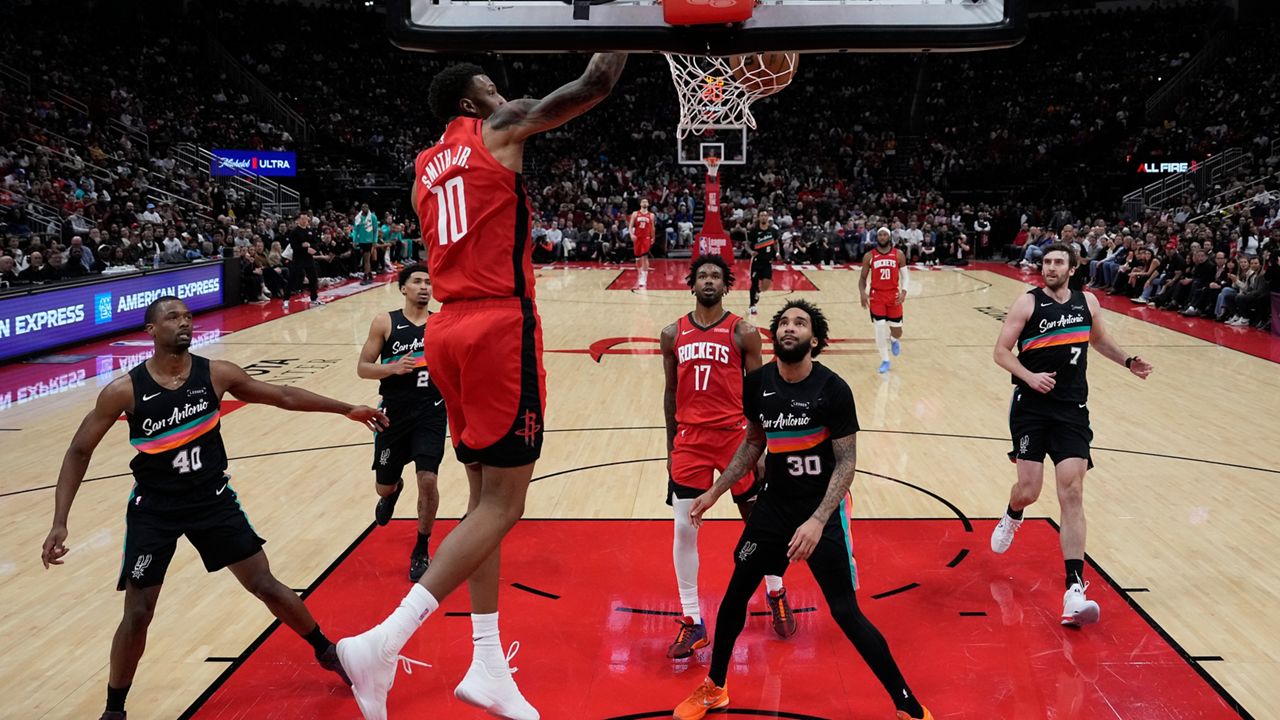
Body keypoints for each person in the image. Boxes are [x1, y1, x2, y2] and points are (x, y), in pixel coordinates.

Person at [335, 54, 628, 720]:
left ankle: (487, 664)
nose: (503, 91)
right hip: (499, 324)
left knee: (478, 502)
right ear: (474, 99)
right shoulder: (502, 124)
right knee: (504, 505)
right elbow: (596, 85)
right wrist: (624, 24)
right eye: (491, 86)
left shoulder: (420, 172)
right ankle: (382, 643)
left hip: (445, 331)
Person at [40, 296, 388, 720]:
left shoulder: (215, 373)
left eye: (188, 317)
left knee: (265, 584)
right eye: (172, 318)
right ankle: (114, 709)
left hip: (213, 500)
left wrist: (346, 407)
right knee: (138, 613)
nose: (183, 323)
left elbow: (281, 394)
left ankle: (328, 651)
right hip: (155, 510)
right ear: (151, 330)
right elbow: (78, 451)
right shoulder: (124, 391)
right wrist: (60, 521)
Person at [674, 299, 933, 720]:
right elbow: (754, 442)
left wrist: (817, 520)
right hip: (773, 508)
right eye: (784, 323)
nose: (790, 328)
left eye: (800, 323)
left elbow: (847, 463)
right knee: (736, 594)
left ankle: (908, 705)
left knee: (847, 613)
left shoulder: (833, 389)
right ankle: (716, 687)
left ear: (815, 339)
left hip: (821, 512)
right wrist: (717, 491)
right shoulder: (756, 384)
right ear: (774, 335)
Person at [990, 243, 1154, 626]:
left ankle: (1074, 589)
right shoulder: (1027, 303)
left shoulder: (1088, 303)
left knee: (1072, 490)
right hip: (1030, 408)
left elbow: (1098, 341)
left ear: (1073, 267)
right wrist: (1029, 376)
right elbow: (1000, 351)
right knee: (1029, 490)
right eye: (1046, 262)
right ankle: (1013, 514)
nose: (1050, 267)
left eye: (1057, 262)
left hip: (1071, 410)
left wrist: (1128, 361)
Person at [660, 255, 793, 660]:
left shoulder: (744, 332)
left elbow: (760, 394)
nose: (708, 281)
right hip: (690, 440)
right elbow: (670, 393)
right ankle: (691, 620)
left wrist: (764, 446)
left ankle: (776, 592)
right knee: (685, 529)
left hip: (737, 438)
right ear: (692, 283)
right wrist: (670, 447)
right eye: (702, 275)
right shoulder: (671, 334)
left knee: (758, 523)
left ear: (726, 284)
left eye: (716, 275)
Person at [356, 264, 447, 581]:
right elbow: (364, 368)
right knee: (383, 486)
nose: (424, 287)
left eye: (428, 283)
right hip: (392, 414)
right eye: (418, 282)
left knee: (429, 480)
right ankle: (392, 492)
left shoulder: (441, 323)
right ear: (403, 288)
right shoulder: (385, 322)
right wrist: (391, 369)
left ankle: (421, 548)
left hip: (431, 410)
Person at [859, 227, 909, 374]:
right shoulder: (870, 256)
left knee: (897, 331)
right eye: (879, 235)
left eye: (884, 234)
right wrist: (862, 292)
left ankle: (894, 340)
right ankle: (885, 360)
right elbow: (862, 278)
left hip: (893, 296)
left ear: (889, 237)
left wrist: (904, 291)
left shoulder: (898, 254)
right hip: (877, 297)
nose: (882, 237)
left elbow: (905, 276)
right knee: (879, 328)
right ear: (877, 237)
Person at [746, 211, 779, 316]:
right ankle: (752, 305)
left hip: (767, 262)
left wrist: (777, 253)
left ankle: (757, 292)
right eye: (762, 215)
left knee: (766, 286)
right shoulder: (754, 231)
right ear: (759, 218)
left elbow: (776, 243)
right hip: (756, 261)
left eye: (765, 215)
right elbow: (746, 245)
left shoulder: (773, 231)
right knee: (754, 283)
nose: (764, 217)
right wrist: (751, 252)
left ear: (768, 217)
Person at [287, 213, 323, 306]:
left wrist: (313, 249)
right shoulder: (294, 232)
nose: (305, 221)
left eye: (306, 219)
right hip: (298, 258)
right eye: (302, 219)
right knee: (293, 278)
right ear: (298, 220)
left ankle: (314, 299)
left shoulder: (310, 231)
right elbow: (294, 246)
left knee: (313, 278)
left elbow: (315, 243)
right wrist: (305, 248)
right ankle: (286, 299)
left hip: (309, 259)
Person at [630, 197, 655, 285]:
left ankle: (644, 277)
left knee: (645, 257)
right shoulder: (635, 214)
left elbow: (652, 228)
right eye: (643, 202)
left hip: (646, 238)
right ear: (640, 204)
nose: (644, 203)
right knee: (637, 259)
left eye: (646, 202)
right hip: (637, 238)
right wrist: (631, 234)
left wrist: (653, 237)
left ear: (648, 204)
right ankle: (640, 273)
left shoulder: (651, 215)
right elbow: (630, 226)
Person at [353, 204, 379, 285]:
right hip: (361, 241)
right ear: (361, 208)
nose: (365, 208)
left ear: (368, 208)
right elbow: (355, 230)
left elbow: (375, 230)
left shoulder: (373, 217)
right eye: (363, 207)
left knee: (366, 260)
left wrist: (375, 240)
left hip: (369, 241)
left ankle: (365, 276)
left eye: (366, 207)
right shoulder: (358, 217)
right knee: (365, 259)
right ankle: (370, 274)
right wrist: (354, 240)